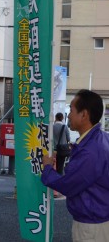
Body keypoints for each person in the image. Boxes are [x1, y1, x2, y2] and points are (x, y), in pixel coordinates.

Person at [41, 89, 109, 242]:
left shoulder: (90, 151)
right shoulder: (102, 139)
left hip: (91, 226)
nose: (68, 115)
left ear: (84, 115)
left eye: (71, 110)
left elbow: (68, 185)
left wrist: (47, 168)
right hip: (99, 219)